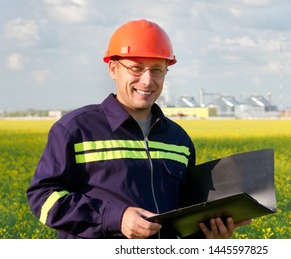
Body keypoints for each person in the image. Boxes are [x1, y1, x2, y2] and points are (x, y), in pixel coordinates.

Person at [26, 19, 252, 239]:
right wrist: (116, 218)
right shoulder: (75, 129)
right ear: (113, 69)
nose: (147, 81)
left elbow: (181, 217)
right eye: (136, 68)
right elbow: (42, 199)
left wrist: (208, 235)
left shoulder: (179, 140)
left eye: (157, 70)